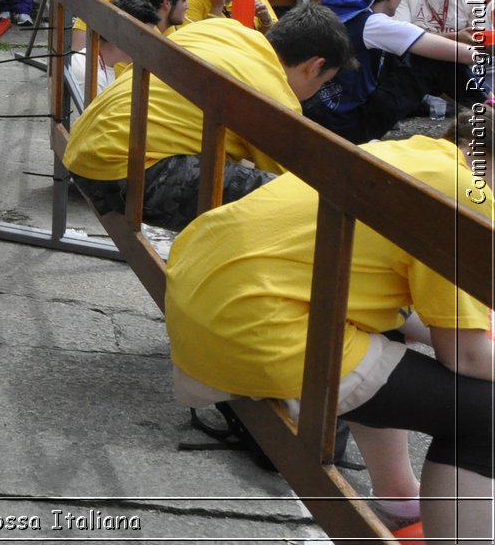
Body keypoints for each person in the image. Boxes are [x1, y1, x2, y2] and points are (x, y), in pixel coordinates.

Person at [166, 110, 495, 545]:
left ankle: (399, 499)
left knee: (386, 330)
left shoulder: (400, 154)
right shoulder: (468, 195)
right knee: (484, 415)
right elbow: (466, 356)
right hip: (257, 329)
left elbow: (409, 312)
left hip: (205, 304)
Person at [64, 3, 350, 230]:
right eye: (323, 83)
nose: (316, 92)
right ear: (314, 67)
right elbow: (292, 181)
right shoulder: (274, 97)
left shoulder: (221, 29)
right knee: (293, 201)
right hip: (118, 173)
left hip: (84, 146)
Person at [302, 0, 480, 142]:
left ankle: (484, 108)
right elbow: (466, 55)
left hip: (319, 113)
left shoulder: (335, 7)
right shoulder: (374, 24)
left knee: (409, 54)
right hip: (348, 125)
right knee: (430, 61)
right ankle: (488, 109)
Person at [65, 0, 159, 114]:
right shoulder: (90, 73)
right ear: (125, 34)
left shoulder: (102, 63)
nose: (149, 45)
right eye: (145, 37)